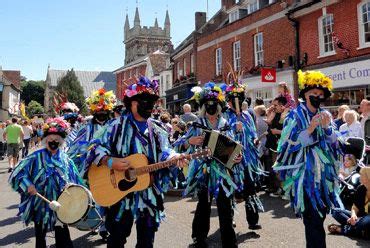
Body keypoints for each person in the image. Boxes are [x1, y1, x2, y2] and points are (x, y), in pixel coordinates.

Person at [86, 77, 187, 248]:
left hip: (148, 193)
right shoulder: (115, 126)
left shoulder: (156, 128)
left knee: (147, 241)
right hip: (120, 192)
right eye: (144, 100)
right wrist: (110, 161)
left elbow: (165, 150)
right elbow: (93, 148)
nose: (149, 104)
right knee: (117, 239)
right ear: (131, 103)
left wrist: (173, 158)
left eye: (152, 101)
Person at [274, 70, 342, 248]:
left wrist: (327, 129)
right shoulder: (294, 116)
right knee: (312, 221)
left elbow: (336, 146)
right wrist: (310, 129)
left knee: (319, 219)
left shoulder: (326, 115)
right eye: (314, 94)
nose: (317, 97)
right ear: (305, 94)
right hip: (304, 177)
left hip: (323, 179)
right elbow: (287, 146)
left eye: (320, 94)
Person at [174, 83, 243, 248]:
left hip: (222, 172)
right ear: (204, 106)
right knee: (203, 205)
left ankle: (229, 241)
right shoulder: (197, 124)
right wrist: (189, 141)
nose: (211, 108)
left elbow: (234, 146)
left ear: (219, 106)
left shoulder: (226, 124)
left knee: (225, 205)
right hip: (203, 171)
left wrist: (238, 157)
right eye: (208, 105)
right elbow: (178, 144)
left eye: (215, 105)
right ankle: (199, 236)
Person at [8, 117, 83, 248]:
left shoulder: (66, 160)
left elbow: (75, 180)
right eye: (50, 140)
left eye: (56, 140)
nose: (53, 142)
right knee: (40, 238)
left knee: (64, 239)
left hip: (61, 204)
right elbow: (17, 173)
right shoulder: (35, 156)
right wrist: (28, 185)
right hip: (40, 204)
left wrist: (71, 188)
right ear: (45, 140)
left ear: (61, 142)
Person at [67, 88, 116, 241]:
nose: (101, 114)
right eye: (98, 110)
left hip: (112, 167)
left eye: (104, 110)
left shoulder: (115, 126)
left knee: (112, 197)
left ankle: (107, 225)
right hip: (92, 169)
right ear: (94, 111)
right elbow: (75, 148)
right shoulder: (86, 128)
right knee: (97, 197)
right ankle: (98, 224)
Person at [222, 81, 265, 230]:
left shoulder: (247, 115)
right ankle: (229, 218)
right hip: (232, 160)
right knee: (230, 189)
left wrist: (254, 140)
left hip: (247, 160)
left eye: (241, 98)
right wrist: (234, 128)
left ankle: (253, 220)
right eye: (235, 98)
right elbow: (222, 136)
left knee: (250, 189)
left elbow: (253, 132)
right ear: (229, 100)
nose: (238, 101)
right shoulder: (224, 116)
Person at [328, 166, 370, 238]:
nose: (359, 176)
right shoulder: (361, 188)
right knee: (335, 211)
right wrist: (353, 216)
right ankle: (361, 231)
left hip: (367, 219)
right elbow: (355, 207)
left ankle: (344, 229)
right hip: (360, 218)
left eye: (362, 174)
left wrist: (359, 220)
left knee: (366, 220)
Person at [265, 96, 286, 196]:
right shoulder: (275, 114)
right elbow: (269, 123)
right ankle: (278, 188)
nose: (273, 107)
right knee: (274, 169)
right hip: (272, 145)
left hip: (280, 147)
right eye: (273, 104)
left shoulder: (285, 115)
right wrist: (270, 114)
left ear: (282, 106)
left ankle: (282, 190)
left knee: (279, 169)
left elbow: (289, 132)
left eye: (275, 105)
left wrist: (277, 131)